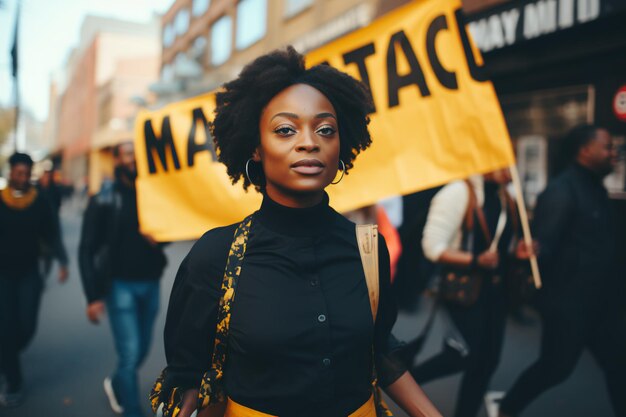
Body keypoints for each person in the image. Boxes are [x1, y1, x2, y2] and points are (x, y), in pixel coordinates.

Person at [153, 47, 442, 417]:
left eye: (325, 129)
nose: (309, 142)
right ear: (256, 148)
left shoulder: (368, 249)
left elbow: (379, 352)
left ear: (341, 144)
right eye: (286, 130)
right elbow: (187, 380)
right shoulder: (216, 256)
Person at [499, 125, 626, 417]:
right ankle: (507, 408)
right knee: (555, 368)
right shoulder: (562, 190)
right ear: (585, 150)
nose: (613, 153)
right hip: (571, 307)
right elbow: (543, 250)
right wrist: (528, 254)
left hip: (603, 307)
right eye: (606, 147)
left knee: (619, 364)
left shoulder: (595, 187)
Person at [408, 169, 532, 417]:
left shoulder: (507, 197)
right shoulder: (457, 193)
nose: (511, 168)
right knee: (464, 355)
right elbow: (432, 247)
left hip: (496, 291)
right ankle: (404, 382)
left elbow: (500, 246)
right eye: (503, 162)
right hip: (463, 289)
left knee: (487, 361)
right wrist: (475, 260)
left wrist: (515, 253)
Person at [79, 141, 168, 417]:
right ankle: (132, 410)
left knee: (140, 351)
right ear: (117, 159)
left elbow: (166, 233)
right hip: (119, 286)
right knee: (130, 354)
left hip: (150, 282)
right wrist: (92, 296)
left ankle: (116, 382)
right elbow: (86, 248)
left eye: (137, 154)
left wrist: (160, 240)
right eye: (128, 154)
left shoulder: (152, 193)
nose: (133, 159)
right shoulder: (104, 197)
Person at [0, 152, 69, 407]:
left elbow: (52, 233)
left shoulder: (39, 201)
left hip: (29, 273)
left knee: (26, 327)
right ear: (10, 173)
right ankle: (13, 380)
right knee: (6, 327)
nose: (22, 177)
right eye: (18, 173)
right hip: (3, 275)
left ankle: (6, 355)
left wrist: (62, 262)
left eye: (26, 173)